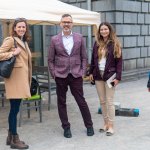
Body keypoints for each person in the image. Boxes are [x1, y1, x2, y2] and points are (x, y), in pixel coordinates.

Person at [48, 14, 94, 138]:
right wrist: (54, 73)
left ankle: (89, 125)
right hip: (60, 75)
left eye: (69, 22)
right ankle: (66, 127)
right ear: (60, 24)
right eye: (64, 22)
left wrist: (83, 71)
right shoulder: (54, 39)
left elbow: (84, 57)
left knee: (81, 101)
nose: (67, 24)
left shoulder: (79, 38)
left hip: (76, 74)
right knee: (61, 102)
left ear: (72, 24)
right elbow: (50, 59)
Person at [0, 18, 32, 149]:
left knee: (15, 109)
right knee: (14, 109)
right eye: (19, 27)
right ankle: (14, 138)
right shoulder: (10, 40)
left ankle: (10, 137)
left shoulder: (24, 42)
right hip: (14, 80)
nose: (21, 29)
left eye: (23, 27)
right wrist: (13, 53)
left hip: (21, 79)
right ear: (14, 28)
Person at [89, 22, 122, 136]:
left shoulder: (115, 43)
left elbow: (119, 62)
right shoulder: (97, 43)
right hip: (98, 75)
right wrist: (91, 72)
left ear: (109, 30)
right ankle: (106, 123)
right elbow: (93, 60)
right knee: (102, 101)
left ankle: (111, 126)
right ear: (99, 31)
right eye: (101, 29)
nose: (103, 31)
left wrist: (118, 77)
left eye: (105, 29)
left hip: (110, 76)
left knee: (109, 101)